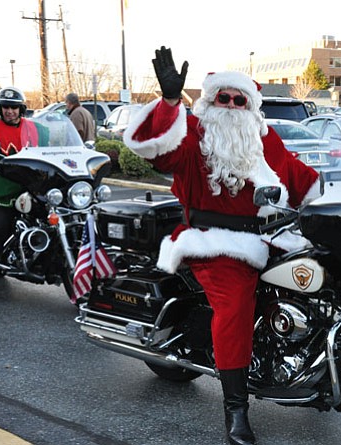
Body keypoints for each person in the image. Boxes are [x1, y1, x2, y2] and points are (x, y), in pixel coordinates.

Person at [124, 46, 320, 445]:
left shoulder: (264, 140)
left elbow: (301, 179)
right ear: (211, 102)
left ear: (251, 106)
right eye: (222, 98)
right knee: (234, 306)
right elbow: (155, 149)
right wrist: (170, 102)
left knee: (318, 278)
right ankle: (236, 410)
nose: (231, 105)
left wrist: (337, 203)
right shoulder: (195, 138)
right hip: (214, 242)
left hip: (268, 235)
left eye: (239, 99)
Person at [0, 87, 49, 303]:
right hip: (1, 190)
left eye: (14, 107)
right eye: (6, 107)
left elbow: (48, 156)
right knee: (1, 227)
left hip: (30, 188)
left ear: (21, 109)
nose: (10, 111)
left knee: (53, 219)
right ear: (0, 109)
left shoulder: (36, 129)